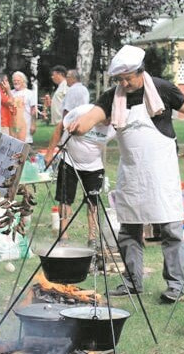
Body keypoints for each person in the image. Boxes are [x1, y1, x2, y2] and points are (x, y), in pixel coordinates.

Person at [66, 45, 184, 303]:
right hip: (132, 172)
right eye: (120, 79)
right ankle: (132, 282)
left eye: (129, 77)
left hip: (162, 172)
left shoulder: (162, 89)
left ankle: (175, 286)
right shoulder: (112, 98)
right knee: (129, 230)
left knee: (171, 230)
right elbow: (92, 116)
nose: (125, 83)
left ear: (141, 71)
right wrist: (78, 126)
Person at [47, 70, 113, 250]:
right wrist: (50, 152)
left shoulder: (116, 124)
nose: (109, 123)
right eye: (107, 118)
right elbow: (61, 126)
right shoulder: (82, 112)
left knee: (93, 202)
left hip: (93, 166)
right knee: (65, 200)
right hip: (70, 161)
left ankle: (92, 236)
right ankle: (63, 232)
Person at [11, 71, 37, 145]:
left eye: (18, 80)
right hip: (13, 127)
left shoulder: (29, 93)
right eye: (14, 80)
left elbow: (33, 110)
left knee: (24, 149)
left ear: (23, 81)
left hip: (25, 126)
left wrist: (33, 124)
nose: (16, 82)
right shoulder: (10, 93)